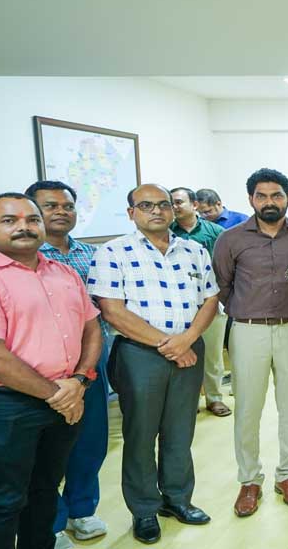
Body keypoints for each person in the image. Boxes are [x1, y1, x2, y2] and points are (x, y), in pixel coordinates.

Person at [88, 184, 219, 544]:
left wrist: (187, 339)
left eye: (163, 204)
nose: (157, 211)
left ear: (174, 211)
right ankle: (144, 509)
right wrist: (169, 344)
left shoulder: (193, 250)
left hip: (189, 348)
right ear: (131, 213)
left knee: (180, 430)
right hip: (139, 355)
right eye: (146, 205)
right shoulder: (113, 251)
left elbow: (210, 299)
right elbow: (112, 310)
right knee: (141, 434)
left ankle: (177, 499)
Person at [0, 193, 101, 549]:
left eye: (32, 220)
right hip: (6, 406)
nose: (24, 227)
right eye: (9, 220)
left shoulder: (63, 272)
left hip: (66, 397)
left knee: (45, 490)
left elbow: (91, 329)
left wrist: (79, 381)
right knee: (5, 500)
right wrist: (61, 394)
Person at [212, 168, 288, 517]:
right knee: (247, 409)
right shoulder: (230, 239)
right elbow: (223, 285)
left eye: (276, 195)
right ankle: (249, 480)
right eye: (262, 196)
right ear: (251, 199)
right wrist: (247, 309)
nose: (269, 202)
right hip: (248, 331)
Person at [25, 180, 113, 548]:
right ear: (33, 213)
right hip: (39, 365)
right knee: (45, 446)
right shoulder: (21, 257)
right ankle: (53, 521)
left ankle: (82, 509)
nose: (61, 211)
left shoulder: (95, 255)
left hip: (91, 356)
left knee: (90, 437)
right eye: (50, 206)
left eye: (68, 206)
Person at [170, 187, 231, 418]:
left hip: (211, 301)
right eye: (171, 203)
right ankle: (190, 400)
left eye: (178, 202)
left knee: (213, 355)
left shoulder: (216, 232)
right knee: (184, 354)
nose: (174, 207)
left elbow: (226, 266)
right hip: (178, 305)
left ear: (194, 204)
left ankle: (214, 398)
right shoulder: (167, 232)